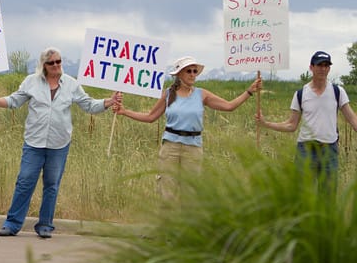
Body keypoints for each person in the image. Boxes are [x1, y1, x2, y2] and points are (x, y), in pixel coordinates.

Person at [0, 47, 121, 238]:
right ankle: (12, 224)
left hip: (59, 144)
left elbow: (89, 105)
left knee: (52, 184)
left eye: (58, 61)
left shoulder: (71, 84)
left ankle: (45, 225)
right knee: (24, 181)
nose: (56, 65)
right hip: (34, 143)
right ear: (43, 66)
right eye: (51, 63)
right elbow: (14, 100)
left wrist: (109, 101)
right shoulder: (31, 82)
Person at [114, 55, 262, 200]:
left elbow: (229, 106)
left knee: (190, 191)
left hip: (193, 147)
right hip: (170, 146)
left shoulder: (202, 94)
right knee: (167, 188)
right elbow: (150, 117)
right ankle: (168, 222)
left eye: (194, 71)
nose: (192, 74)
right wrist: (124, 111)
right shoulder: (168, 94)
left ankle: (186, 223)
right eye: (188, 71)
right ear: (179, 74)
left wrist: (249, 92)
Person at [256, 50, 357, 191]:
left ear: (329, 68)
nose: (323, 69)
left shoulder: (338, 92)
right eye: (319, 65)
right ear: (311, 67)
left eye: (326, 65)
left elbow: (352, 118)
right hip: (306, 151)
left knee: (328, 197)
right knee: (304, 195)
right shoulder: (301, 94)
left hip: (330, 151)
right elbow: (291, 125)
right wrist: (266, 124)